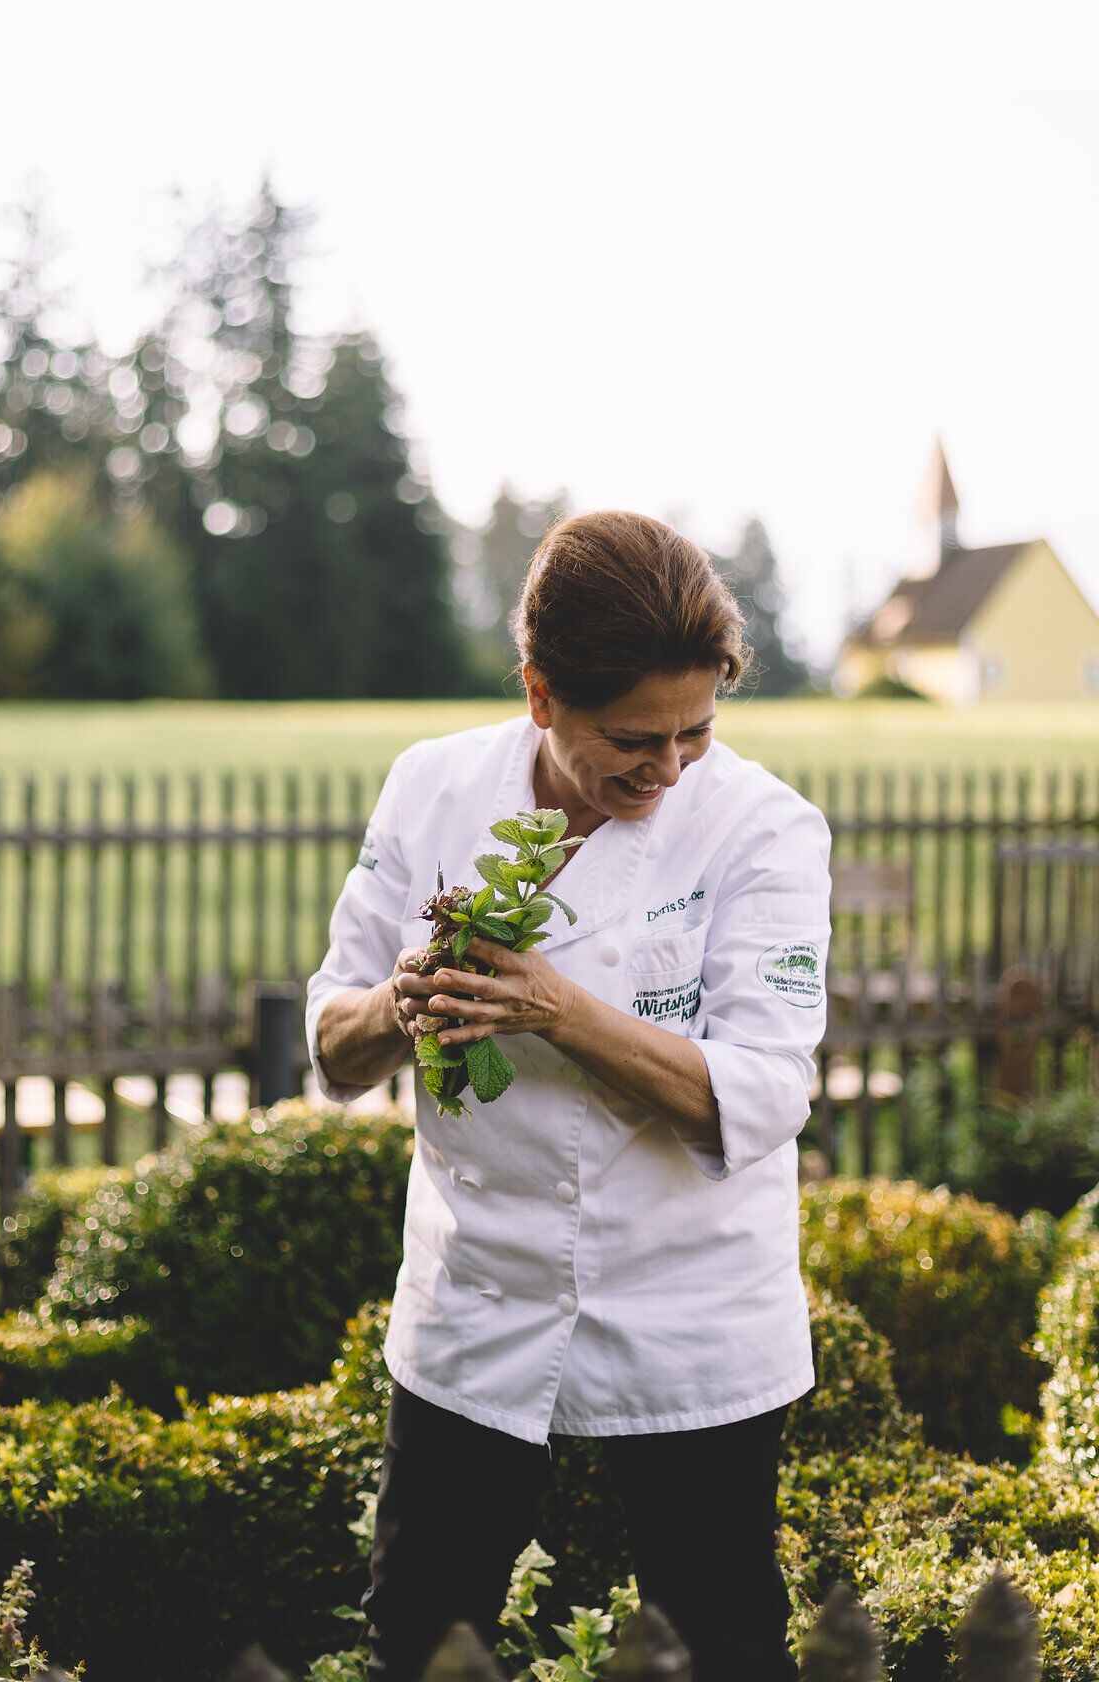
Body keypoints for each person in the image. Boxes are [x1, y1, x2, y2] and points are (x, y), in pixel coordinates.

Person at [305, 510, 832, 1682]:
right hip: (473, 1295)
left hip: (689, 1304)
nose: (664, 770)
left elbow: (760, 1093)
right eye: (632, 739)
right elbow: (335, 1045)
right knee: (418, 1638)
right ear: (540, 693)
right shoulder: (431, 789)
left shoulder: (763, 830)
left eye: (694, 732)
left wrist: (556, 1012)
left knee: (724, 1643)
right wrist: (405, 1003)